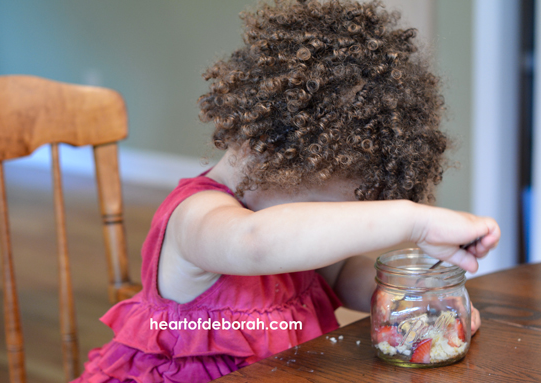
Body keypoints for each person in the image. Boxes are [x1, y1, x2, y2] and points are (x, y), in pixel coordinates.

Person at [72, 0, 500, 381]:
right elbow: (256, 242)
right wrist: (414, 219)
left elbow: (339, 272)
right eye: (323, 209)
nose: (326, 224)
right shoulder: (197, 219)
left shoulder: (299, 240)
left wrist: (408, 301)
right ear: (275, 152)